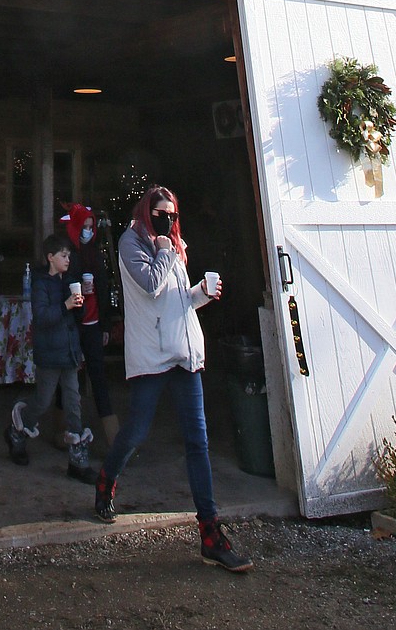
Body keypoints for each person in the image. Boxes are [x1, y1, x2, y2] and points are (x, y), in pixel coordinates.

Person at [93, 186, 252, 573]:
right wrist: (166, 248)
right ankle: (106, 478)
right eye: (161, 213)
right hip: (152, 354)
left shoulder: (173, 245)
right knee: (136, 431)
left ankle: (210, 532)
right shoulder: (132, 243)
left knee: (198, 441)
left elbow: (178, 300)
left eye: (173, 214)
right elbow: (150, 285)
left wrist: (201, 293)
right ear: (147, 212)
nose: (168, 220)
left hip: (184, 353)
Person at [5, 232, 95, 483]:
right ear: (50, 258)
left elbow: (77, 317)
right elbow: (42, 318)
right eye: (63, 256)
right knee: (43, 401)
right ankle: (17, 429)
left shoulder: (69, 281)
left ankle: (78, 460)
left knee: (73, 402)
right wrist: (65, 305)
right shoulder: (40, 283)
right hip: (49, 353)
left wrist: (81, 303)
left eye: (69, 255)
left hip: (69, 351)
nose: (68, 259)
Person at [61, 203, 117, 446]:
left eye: (90, 227)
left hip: (93, 324)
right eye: (83, 227)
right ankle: (64, 431)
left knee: (99, 376)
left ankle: (113, 436)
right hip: (74, 324)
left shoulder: (96, 253)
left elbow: (103, 289)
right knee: (68, 377)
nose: (87, 231)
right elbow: (61, 285)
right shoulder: (67, 255)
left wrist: (105, 325)